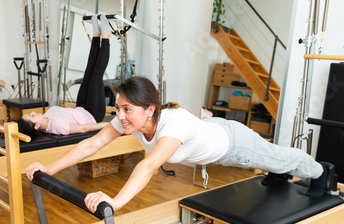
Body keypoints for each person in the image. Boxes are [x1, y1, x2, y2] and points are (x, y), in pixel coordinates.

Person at [26, 76, 329, 213]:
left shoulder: (173, 124)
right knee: (273, 163)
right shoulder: (129, 120)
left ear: (150, 109)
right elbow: (90, 146)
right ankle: (281, 171)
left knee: (277, 157)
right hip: (211, 133)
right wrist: (48, 169)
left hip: (233, 144)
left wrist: (116, 202)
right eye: (117, 108)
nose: (119, 116)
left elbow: (148, 165)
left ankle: (321, 171)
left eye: (126, 109)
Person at [18, 14, 112, 136]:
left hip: (81, 108)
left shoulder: (46, 117)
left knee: (88, 72)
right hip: (93, 115)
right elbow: (84, 129)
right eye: (32, 116)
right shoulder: (56, 126)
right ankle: (106, 36)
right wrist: (109, 124)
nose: (33, 113)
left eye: (30, 114)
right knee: (96, 75)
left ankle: (96, 35)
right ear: (36, 126)